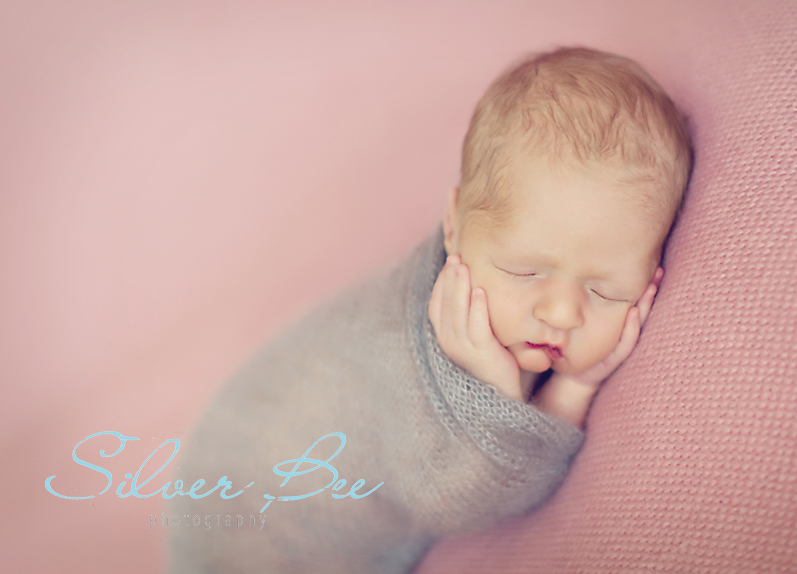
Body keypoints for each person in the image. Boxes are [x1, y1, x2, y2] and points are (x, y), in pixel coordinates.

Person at [167, 47, 691, 574]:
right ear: (454, 226)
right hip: (249, 505)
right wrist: (537, 393)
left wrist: (573, 383)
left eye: (605, 291)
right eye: (524, 272)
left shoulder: (494, 264)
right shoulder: (417, 341)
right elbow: (473, 498)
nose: (560, 312)